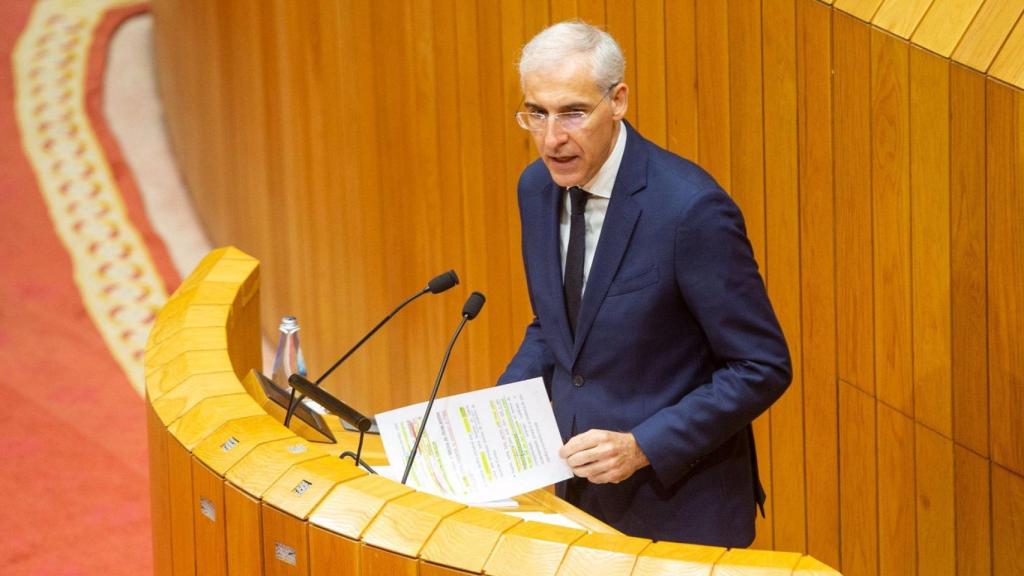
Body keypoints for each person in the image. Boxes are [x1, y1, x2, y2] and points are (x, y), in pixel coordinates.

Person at [497, 21, 791, 547]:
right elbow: (557, 328)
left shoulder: (689, 209)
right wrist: (497, 413)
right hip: (575, 499)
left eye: (572, 112)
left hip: (678, 512)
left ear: (618, 101)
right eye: (536, 113)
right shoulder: (536, 188)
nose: (551, 138)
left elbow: (760, 366)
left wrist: (642, 445)